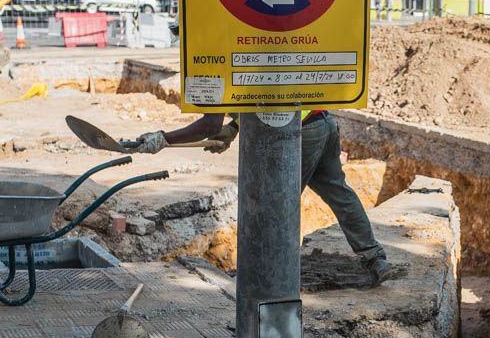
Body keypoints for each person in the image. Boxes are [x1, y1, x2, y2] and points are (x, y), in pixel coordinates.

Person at [134, 111, 391, 285]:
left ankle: (270, 277)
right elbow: (258, 97)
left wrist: (164, 139)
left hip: (296, 132)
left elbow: (209, 125)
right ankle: (374, 257)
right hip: (322, 122)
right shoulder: (238, 42)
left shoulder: (210, 53)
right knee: (339, 193)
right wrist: (233, 128)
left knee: (276, 205)